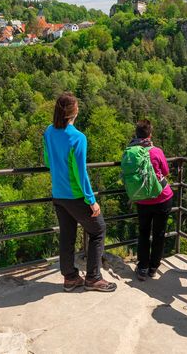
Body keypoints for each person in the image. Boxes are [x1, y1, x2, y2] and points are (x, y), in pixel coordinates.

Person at [43, 92, 117, 293]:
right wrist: (91, 200)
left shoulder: (49, 132)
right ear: (74, 112)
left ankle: (70, 278)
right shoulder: (78, 138)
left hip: (58, 194)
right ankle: (93, 278)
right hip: (76, 196)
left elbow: (48, 161)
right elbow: (80, 171)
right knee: (98, 230)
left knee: (67, 235)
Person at [131, 120, 174, 281]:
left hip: (142, 199)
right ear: (150, 135)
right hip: (162, 198)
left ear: (136, 134)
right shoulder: (156, 152)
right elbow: (166, 171)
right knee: (159, 233)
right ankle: (153, 267)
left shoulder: (132, 151)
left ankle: (142, 267)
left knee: (143, 233)